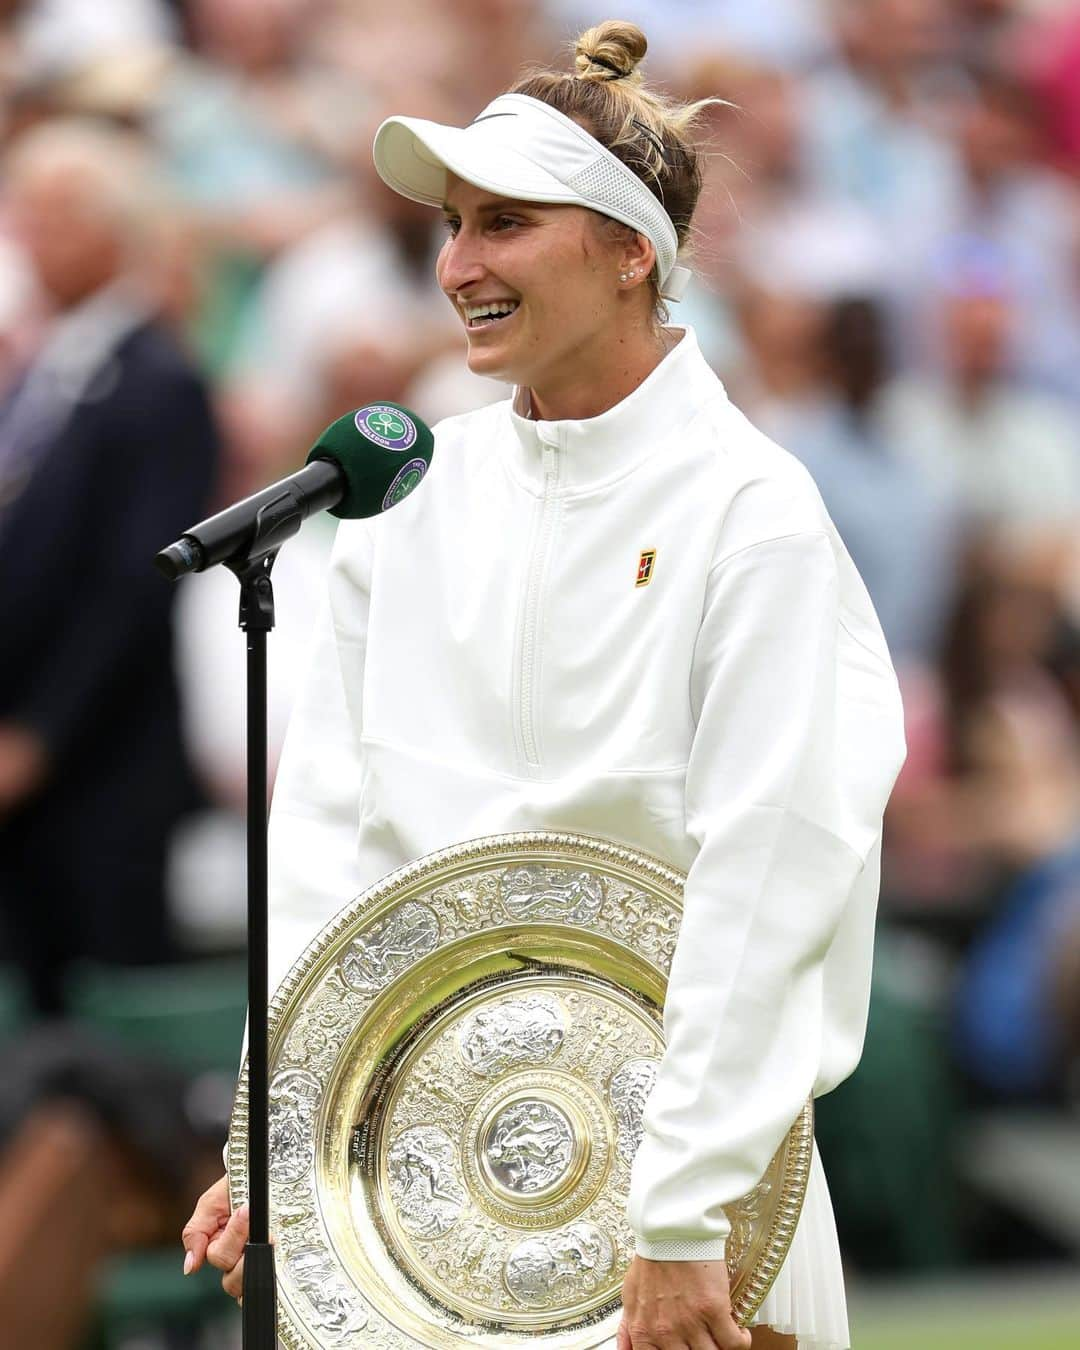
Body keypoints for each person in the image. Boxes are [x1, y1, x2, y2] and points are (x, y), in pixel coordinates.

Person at [182, 21, 906, 1350]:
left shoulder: (757, 512)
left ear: (635, 250)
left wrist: (685, 1212)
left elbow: (773, 873)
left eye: (506, 224)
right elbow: (326, 847)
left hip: (685, 1219)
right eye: (453, 228)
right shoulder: (402, 496)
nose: (459, 266)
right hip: (418, 1208)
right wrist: (270, 1133)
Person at [0, 118, 219, 1013]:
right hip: (32, 764)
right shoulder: (44, 370)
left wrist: (36, 736)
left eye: (54, 215)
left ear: (110, 227)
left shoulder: (157, 377)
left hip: (101, 767)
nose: (29, 234)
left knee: (102, 1028)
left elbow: (135, 587)